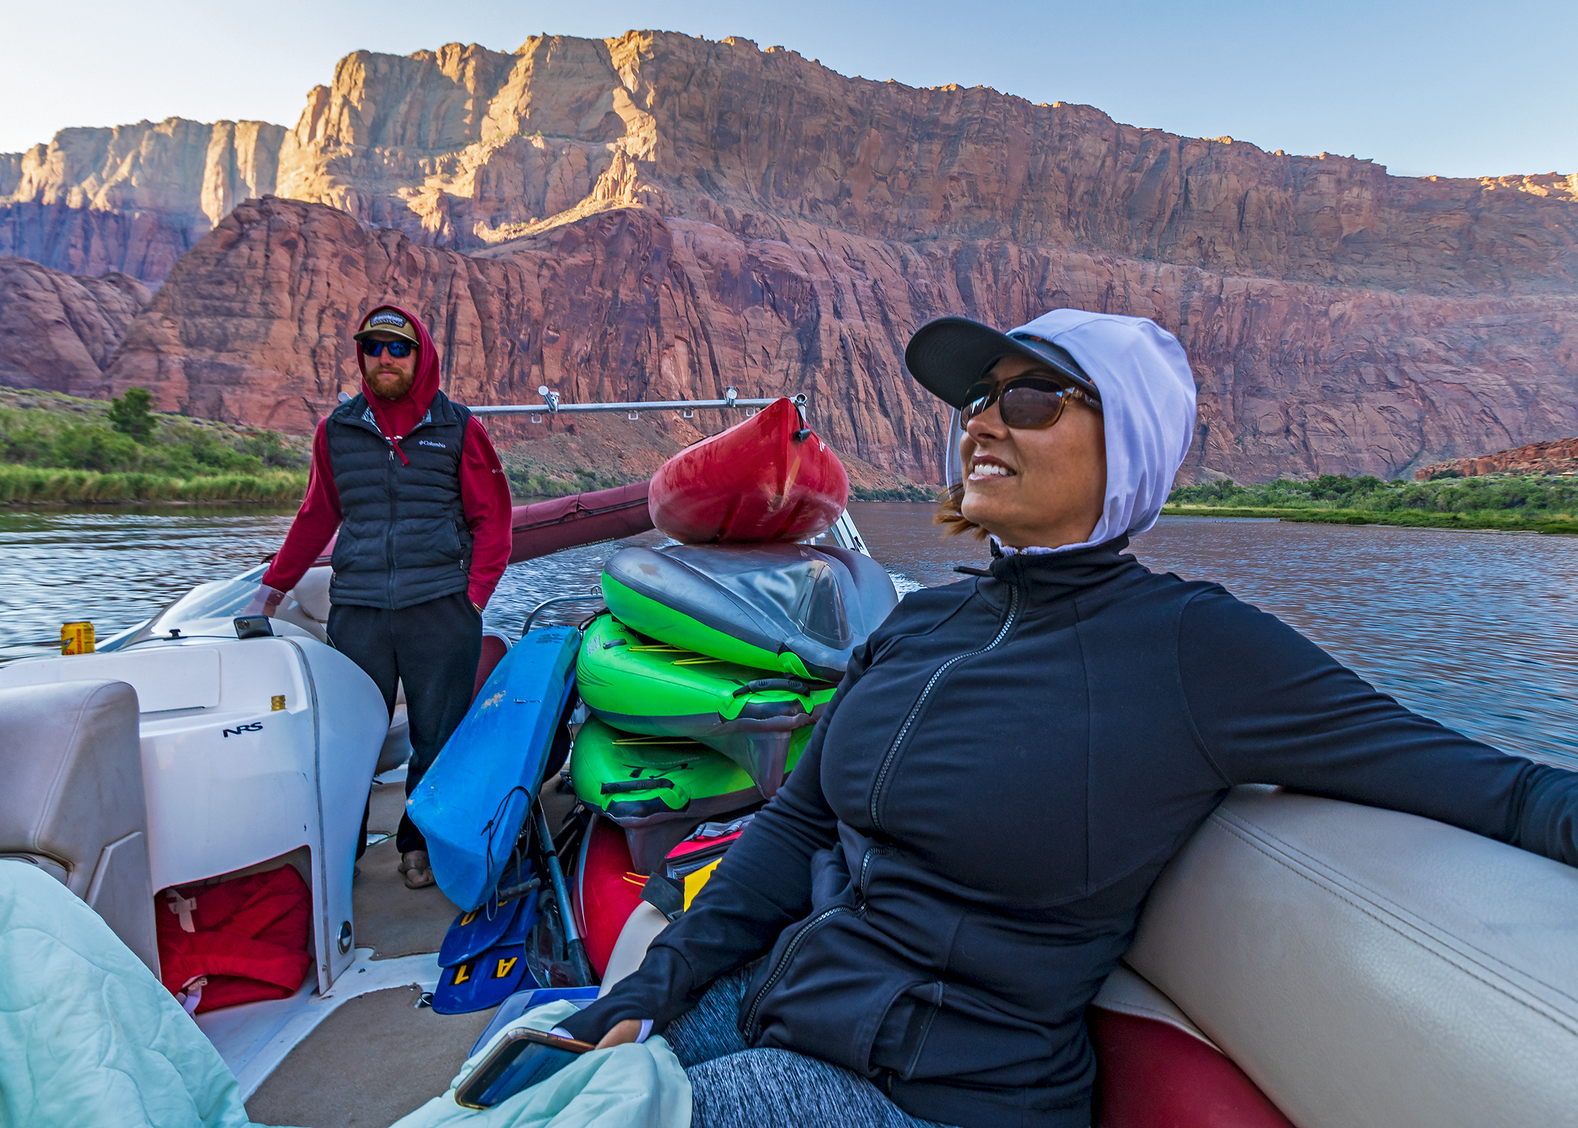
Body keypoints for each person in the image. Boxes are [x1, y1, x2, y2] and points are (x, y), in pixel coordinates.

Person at [559, 309, 1578, 1128]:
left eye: (1033, 397)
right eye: (978, 398)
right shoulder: (923, 624)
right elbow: (800, 823)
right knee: (527, 1081)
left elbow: (1496, 785)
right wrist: (662, 982)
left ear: (1125, 443)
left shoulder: (1195, 651)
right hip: (782, 1006)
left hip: (937, 1092)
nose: (982, 423)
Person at [246, 305, 513, 890]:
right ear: (362, 356)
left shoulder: (460, 428)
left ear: (421, 357)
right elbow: (317, 515)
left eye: (399, 349)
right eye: (374, 348)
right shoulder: (337, 431)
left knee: (435, 736)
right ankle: (344, 850)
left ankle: (419, 846)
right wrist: (271, 592)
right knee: (352, 737)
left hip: (441, 608)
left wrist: (473, 598)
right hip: (360, 608)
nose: (385, 359)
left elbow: (494, 519)